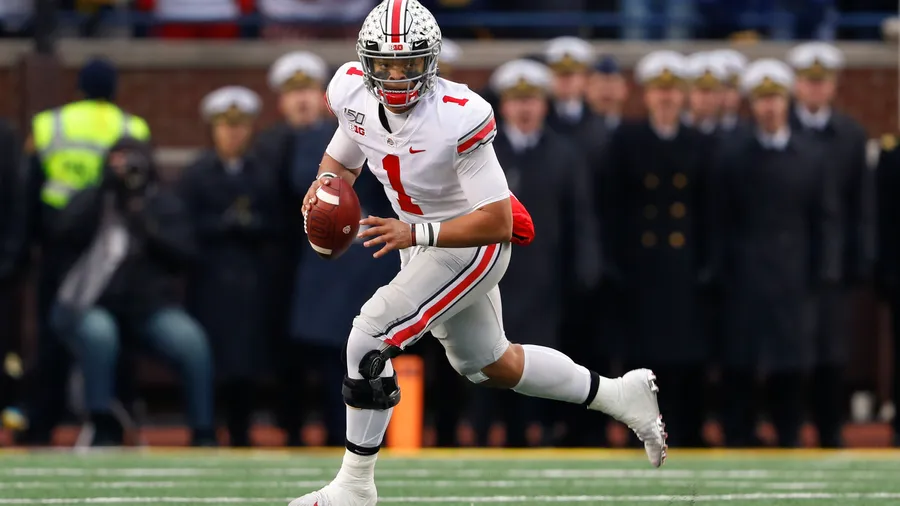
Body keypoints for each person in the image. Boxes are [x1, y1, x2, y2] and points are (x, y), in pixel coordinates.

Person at [290, 2, 667, 505]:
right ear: (366, 63)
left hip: (470, 243)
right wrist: (325, 183)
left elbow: (498, 221)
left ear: (431, 62)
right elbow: (347, 150)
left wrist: (415, 232)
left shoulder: (457, 115)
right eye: (385, 65)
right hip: (419, 240)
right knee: (491, 364)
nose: (396, 77)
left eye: (408, 64)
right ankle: (619, 394)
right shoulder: (352, 91)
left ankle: (355, 488)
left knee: (368, 337)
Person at [16, 58, 150, 445]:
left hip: (60, 243)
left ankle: (42, 425)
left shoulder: (50, 124)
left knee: (53, 336)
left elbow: (28, 188)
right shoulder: (132, 126)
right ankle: (115, 417)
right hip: (111, 246)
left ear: (79, 89)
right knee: (115, 333)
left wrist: (25, 248)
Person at [50, 138, 215, 446]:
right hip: (93, 303)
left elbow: (186, 253)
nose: (126, 170)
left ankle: (203, 429)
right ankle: (102, 422)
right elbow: (61, 232)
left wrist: (146, 225)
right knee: (100, 333)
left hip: (147, 308)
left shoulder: (163, 202)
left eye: (133, 162)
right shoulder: (94, 200)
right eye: (118, 161)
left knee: (192, 343)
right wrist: (102, 190)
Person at [713, 59, 841, 448]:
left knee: (791, 363)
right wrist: (721, 270)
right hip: (745, 275)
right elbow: (720, 219)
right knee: (740, 361)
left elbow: (825, 218)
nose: (769, 108)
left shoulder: (811, 155)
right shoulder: (733, 155)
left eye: (776, 99)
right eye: (762, 100)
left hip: (794, 275)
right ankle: (738, 434)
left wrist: (825, 269)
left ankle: (789, 433)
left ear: (787, 102)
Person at [472, 58, 600, 447]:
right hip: (489, 276)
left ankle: (534, 432)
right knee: (483, 356)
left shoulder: (563, 154)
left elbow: (579, 216)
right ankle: (483, 433)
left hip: (543, 278)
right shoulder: (483, 152)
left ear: (544, 104)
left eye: (531, 99)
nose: (524, 108)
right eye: (516, 100)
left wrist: (586, 266)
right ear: (503, 105)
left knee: (536, 357)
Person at [599, 50, 713, 450]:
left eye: (673, 90)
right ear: (646, 95)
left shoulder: (699, 142)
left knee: (686, 355)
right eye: (659, 90)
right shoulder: (626, 140)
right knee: (641, 356)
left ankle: (687, 429)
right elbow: (611, 206)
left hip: (684, 265)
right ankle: (641, 431)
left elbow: (710, 208)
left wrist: (709, 262)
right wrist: (613, 261)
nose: (666, 98)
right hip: (640, 265)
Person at [181, 86, 283, 447]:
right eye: (226, 126)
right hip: (209, 279)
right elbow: (183, 225)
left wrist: (252, 226)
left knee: (246, 360)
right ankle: (205, 427)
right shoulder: (196, 174)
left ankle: (241, 430)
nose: (232, 134)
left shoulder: (263, 173)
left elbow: (279, 222)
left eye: (239, 126)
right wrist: (219, 226)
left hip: (252, 278)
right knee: (208, 358)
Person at [787, 42, 870, 448]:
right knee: (788, 350)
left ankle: (829, 428)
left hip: (832, 259)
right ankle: (786, 427)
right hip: (788, 257)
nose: (815, 89)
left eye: (822, 82)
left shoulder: (850, 135)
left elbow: (861, 205)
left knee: (832, 351)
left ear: (833, 86)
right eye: (808, 81)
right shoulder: (783, 129)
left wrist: (859, 259)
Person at [708, 49, 749, 135]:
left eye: (730, 88)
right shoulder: (698, 129)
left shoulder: (750, 129)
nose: (725, 94)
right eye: (719, 88)